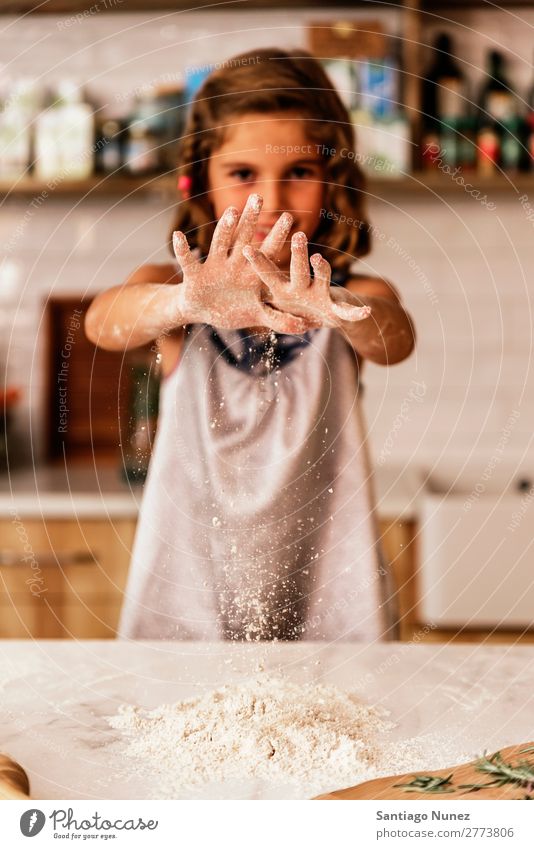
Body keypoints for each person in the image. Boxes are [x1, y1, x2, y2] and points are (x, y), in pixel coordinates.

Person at [85, 48, 415, 642]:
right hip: (189, 591)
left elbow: (394, 338)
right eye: (242, 175)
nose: (272, 202)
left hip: (326, 591)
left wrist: (336, 309)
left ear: (333, 180)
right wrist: (185, 303)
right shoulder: (173, 295)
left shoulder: (354, 292)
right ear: (200, 181)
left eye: (299, 173)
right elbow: (104, 322)